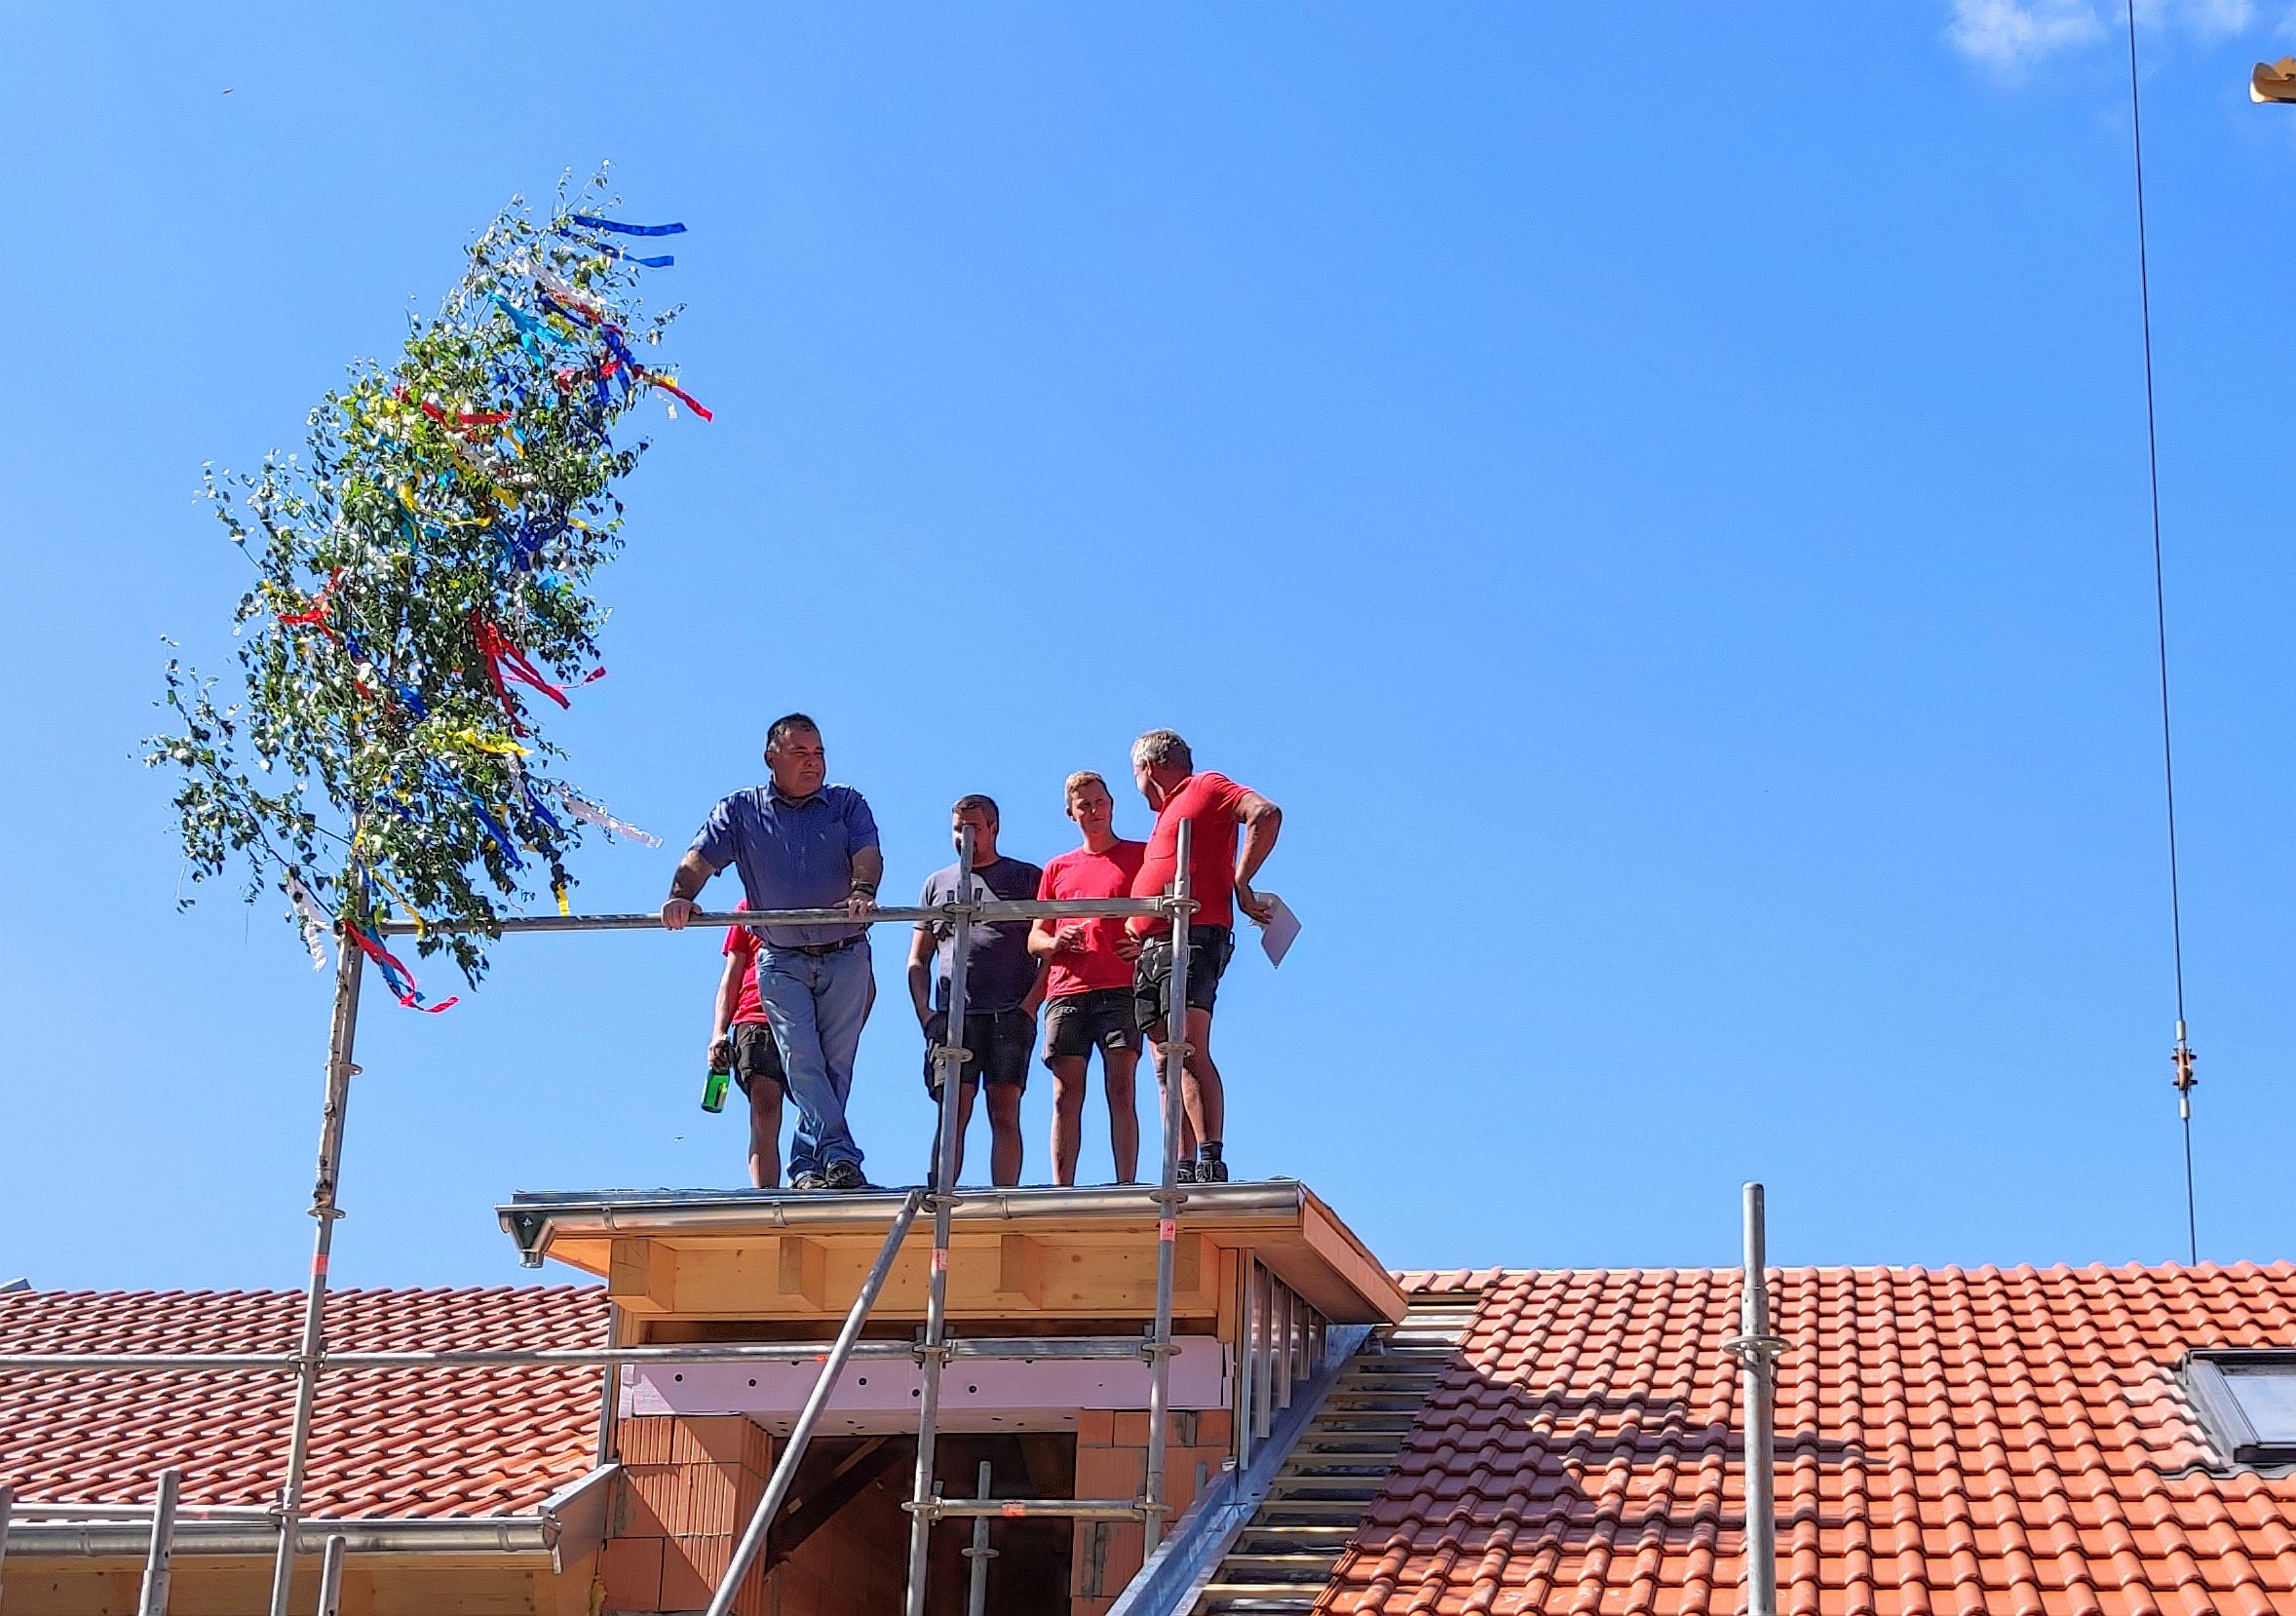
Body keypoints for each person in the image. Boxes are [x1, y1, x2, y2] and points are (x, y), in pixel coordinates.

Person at [664, 713, 882, 1191]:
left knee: (834, 1066)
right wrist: (682, 893)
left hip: (845, 952)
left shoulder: (848, 804)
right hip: (780, 957)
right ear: (771, 758)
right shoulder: (741, 810)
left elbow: (868, 854)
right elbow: (699, 857)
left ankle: (808, 1168)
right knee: (801, 1062)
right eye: (801, 753)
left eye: (819, 753)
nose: (814, 762)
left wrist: (863, 888)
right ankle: (841, 1156)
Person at [1125, 729, 1282, 1184]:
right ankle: (1181, 1160)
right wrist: (1135, 929)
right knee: (1163, 1058)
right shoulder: (1167, 814)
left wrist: (1241, 881)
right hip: (1153, 946)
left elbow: (1264, 813)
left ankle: (1210, 1157)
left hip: (1193, 935)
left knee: (1187, 1045)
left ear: (1147, 767)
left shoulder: (1206, 786)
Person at [909, 795, 1043, 1187]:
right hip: (954, 1015)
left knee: (1004, 1107)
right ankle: (941, 1191)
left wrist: (1029, 1007)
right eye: (957, 828)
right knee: (953, 1107)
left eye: (973, 828)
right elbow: (918, 958)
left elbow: (1046, 947)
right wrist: (926, 1015)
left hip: (1008, 1012)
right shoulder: (937, 884)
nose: (964, 837)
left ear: (993, 828)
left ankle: (1005, 1197)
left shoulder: (1024, 878)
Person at [1030, 771, 1147, 1185]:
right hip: (1068, 989)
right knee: (1065, 1095)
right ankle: (1062, 1189)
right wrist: (1056, 940)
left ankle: (1125, 1184)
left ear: (1111, 804)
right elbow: (1035, 938)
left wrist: (1145, 943)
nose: (1093, 811)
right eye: (1084, 805)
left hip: (1121, 986)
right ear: (1071, 813)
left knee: (1121, 1087)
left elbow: (1162, 917)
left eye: (1099, 802)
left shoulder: (1141, 855)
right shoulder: (1058, 867)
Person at [708, 902, 789, 1189]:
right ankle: (767, 1196)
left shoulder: (815, 891)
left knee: (818, 1107)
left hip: (805, 1019)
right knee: (765, 1109)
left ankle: (813, 1176)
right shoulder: (747, 907)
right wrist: (719, 1032)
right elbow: (731, 975)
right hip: (755, 1017)